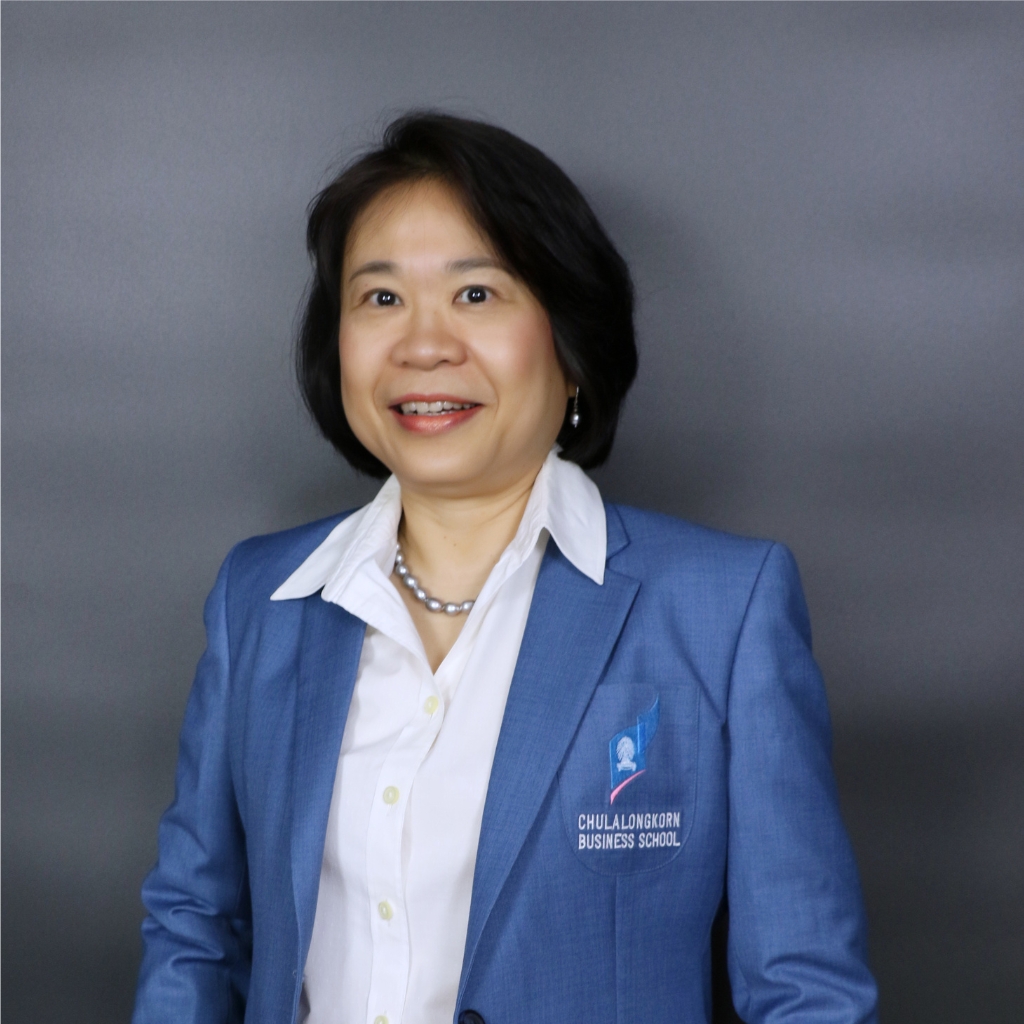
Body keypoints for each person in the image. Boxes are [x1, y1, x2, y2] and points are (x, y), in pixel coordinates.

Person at [132, 112, 878, 1024]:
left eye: (476, 294)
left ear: (571, 345)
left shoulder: (722, 610)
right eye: (380, 298)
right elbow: (197, 927)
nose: (423, 344)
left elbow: (806, 991)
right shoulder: (261, 599)